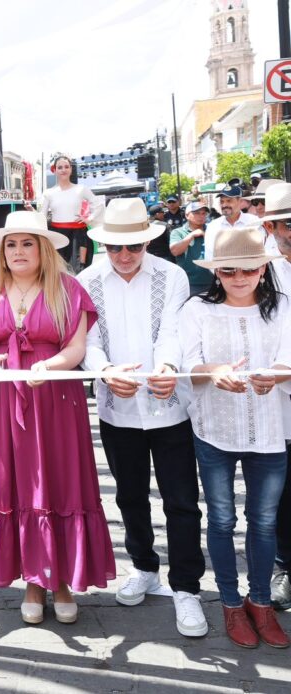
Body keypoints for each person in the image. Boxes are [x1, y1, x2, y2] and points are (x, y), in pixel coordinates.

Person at [0, 210, 115, 625]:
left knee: (59, 484)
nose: (17, 251)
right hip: (4, 405)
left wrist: (49, 369)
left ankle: (61, 580)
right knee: (15, 486)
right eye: (10, 244)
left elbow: (75, 348)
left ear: (44, 249)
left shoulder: (67, 288)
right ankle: (33, 581)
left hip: (55, 400)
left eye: (27, 243)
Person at [79, 198, 207, 638]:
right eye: (115, 247)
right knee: (129, 497)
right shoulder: (87, 279)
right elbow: (88, 340)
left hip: (170, 406)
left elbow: (174, 329)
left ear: (146, 240)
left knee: (182, 500)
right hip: (118, 409)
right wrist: (105, 371)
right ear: (104, 246)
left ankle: (187, 586)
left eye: (133, 246)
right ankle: (144, 566)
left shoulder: (171, 276)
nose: (125, 255)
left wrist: (169, 368)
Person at [179, 228, 291, 649]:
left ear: (263, 269)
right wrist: (214, 372)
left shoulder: (282, 307)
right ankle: (229, 602)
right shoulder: (197, 310)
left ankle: (259, 602)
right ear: (217, 273)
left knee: (264, 522)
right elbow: (190, 363)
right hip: (214, 429)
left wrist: (276, 376)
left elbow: (288, 357)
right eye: (229, 270)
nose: (239, 277)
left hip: (269, 427)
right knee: (222, 520)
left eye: (248, 268)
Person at [259, 183, 291, 612]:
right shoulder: (259, 269)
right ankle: (284, 567)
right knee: (284, 492)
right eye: (288, 223)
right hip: (279, 397)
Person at [26, 154, 101, 271]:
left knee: (79, 271)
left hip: (79, 236)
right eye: (60, 167)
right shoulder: (49, 193)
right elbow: (42, 217)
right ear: (54, 170)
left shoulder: (81, 189)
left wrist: (90, 219)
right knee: (59, 272)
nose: (63, 170)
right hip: (57, 236)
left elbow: (98, 204)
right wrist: (32, 210)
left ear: (71, 169)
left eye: (66, 167)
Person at [204, 180, 260, 260]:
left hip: (251, 271)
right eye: (222, 201)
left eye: (229, 201)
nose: (224, 205)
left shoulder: (254, 222)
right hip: (223, 271)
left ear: (240, 201)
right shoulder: (213, 226)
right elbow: (209, 256)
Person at [169, 201, 213, 296]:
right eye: (196, 213)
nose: (201, 216)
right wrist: (191, 235)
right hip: (190, 284)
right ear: (187, 215)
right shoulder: (178, 232)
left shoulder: (212, 230)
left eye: (203, 213)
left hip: (214, 282)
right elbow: (175, 251)